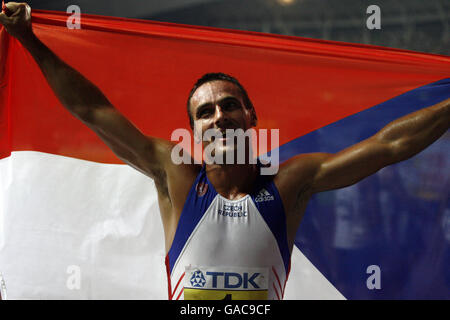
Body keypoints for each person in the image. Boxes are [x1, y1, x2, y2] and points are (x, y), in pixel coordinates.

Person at [0, 2, 449, 300]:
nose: (219, 117)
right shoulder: (174, 177)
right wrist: (29, 39)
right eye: (206, 112)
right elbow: (90, 108)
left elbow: (390, 145)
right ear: (193, 130)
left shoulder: (291, 182)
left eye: (229, 106)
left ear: (251, 116)